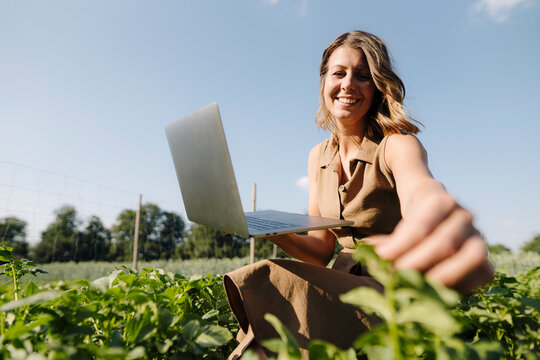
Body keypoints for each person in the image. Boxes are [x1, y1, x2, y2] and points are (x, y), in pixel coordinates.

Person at [223, 30, 494, 359]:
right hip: (340, 281)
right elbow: (321, 251)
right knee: (271, 331)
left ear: (378, 86)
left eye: (363, 76)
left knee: (267, 275)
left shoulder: (396, 144)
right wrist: (264, 228)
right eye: (339, 73)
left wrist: (435, 210)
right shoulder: (317, 156)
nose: (348, 84)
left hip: (389, 290)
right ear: (324, 82)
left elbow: (420, 189)